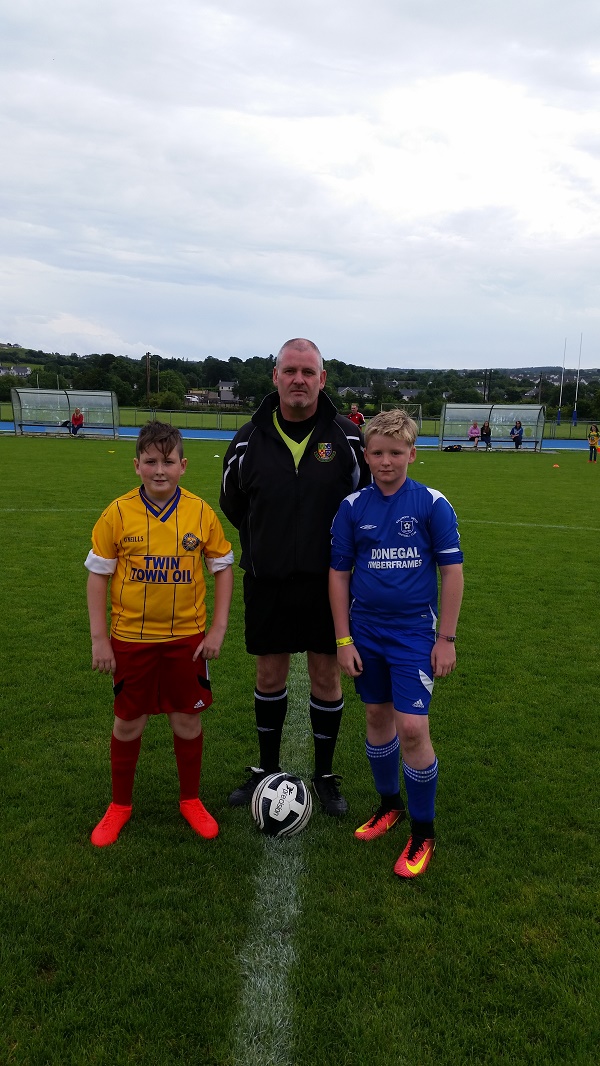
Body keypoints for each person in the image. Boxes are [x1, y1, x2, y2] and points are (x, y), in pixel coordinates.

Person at [220, 338, 369, 815]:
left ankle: (324, 776)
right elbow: (233, 502)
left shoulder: (347, 438)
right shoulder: (247, 438)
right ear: (276, 377)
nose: (299, 379)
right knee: (269, 672)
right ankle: (267, 768)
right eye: (290, 371)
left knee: (327, 674)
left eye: (308, 371)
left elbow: (364, 503)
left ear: (322, 379)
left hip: (330, 584)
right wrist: (270, 543)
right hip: (268, 580)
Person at [85, 420, 234, 847]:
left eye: (168, 461)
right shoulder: (117, 512)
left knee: (186, 720)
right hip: (131, 639)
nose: (159, 470)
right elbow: (98, 576)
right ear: (136, 466)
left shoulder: (201, 512)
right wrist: (100, 639)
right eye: (150, 461)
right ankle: (120, 805)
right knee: (128, 721)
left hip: (187, 639)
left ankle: (190, 799)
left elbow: (222, 567)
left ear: (183, 465)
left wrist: (217, 629)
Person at [329, 409, 463, 879]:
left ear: (412, 453)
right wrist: (343, 638)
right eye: (378, 452)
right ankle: (390, 806)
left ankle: (423, 832)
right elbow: (339, 574)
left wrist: (445, 638)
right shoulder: (351, 507)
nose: (386, 461)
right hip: (365, 631)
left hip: (413, 634)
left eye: (396, 452)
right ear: (366, 455)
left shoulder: (431, 503)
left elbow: (452, 573)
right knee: (376, 716)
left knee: (411, 727)